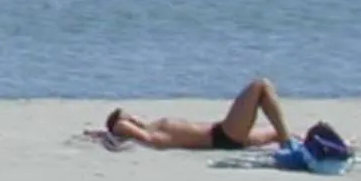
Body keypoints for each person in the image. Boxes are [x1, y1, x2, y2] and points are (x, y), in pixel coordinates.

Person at [105, 77, 295, 152]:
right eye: (128, 117)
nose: (134, 117)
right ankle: (288, 146)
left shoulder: (154, 128)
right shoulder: (152, 134)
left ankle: (298, 143)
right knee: (260, 86)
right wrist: (117, 125)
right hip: (222, 134)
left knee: (277, 132)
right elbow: (120, 128)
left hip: (224, 133)